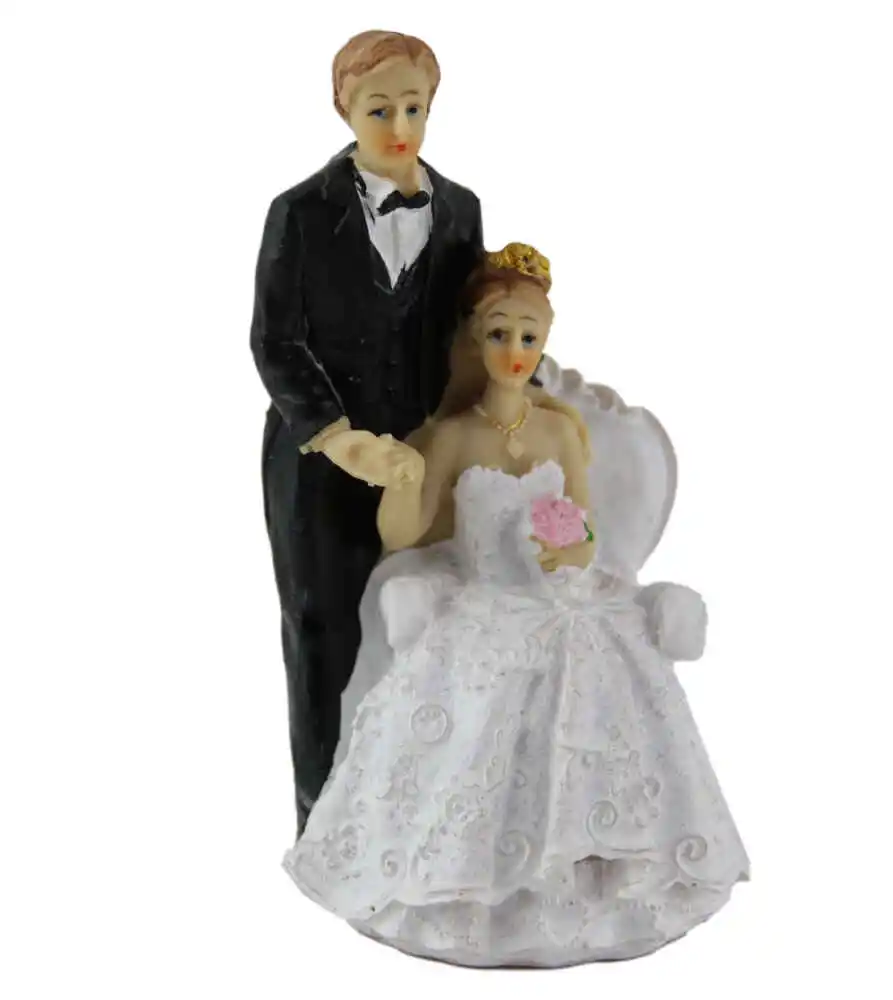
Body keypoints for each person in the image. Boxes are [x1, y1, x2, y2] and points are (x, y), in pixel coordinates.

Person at [283, 244, 750, 967]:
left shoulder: (560, 430)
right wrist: (403, 478)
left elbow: (586, 529)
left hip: (565, 595)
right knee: (484, 694)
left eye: (529, 336)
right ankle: (471, 876)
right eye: (499, 334)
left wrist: (571, 550)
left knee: (606, 670)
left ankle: (601, 863)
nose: (515, 352)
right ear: (475, 337)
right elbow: (404, 535)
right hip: (487, 596)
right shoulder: (454, 436)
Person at [250, 30, 484, 837]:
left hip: (426, 453)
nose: (400, 125)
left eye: (414, 107)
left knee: (428, 622)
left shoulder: (460, 209)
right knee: (322, 628)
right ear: (344, 108)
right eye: (380, 108)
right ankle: (323, 819)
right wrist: (339, 437)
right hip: (320, 461)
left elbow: (467, 329)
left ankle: (417, 806)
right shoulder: (300, 213)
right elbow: (275, 342)